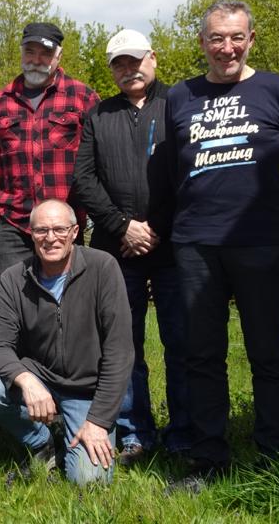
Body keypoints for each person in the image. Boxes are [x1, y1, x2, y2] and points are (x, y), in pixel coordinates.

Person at [156, 0, 279, 489]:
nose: (227, 47)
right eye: (217, 38)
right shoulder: (180, 97)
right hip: (196, 246)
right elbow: (167, 175)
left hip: (259, 244)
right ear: (202, 42)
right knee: (202, 355)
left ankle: (276, 456)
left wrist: (270, 223)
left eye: (236, 37)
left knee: (268, 352)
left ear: (251, 39)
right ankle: (208, 460)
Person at [71, 29, 189, 465]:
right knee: (123, 344)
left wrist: (156, 225)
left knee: (181, 341)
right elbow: (83, 180)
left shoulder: (179, 105)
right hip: (116, 251)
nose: (128, 69)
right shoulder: (98, 116)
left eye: (134, 60)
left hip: (174, 245)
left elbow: (189, 173)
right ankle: (135, 432)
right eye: (118, 63)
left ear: (153, 58)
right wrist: (123, 226)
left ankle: (184, 432)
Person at [0, 199, 132, 485]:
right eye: (41, 230)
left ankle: (80, 430)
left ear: (74, 231)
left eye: (59, 229)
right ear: (31, 234)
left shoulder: (103, 268)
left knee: (89, 481)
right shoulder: (14, 278)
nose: (50, 238)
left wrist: (98, 421)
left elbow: (119, 353)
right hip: (41, 380)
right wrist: (26, 380)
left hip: (87, 392)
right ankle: (41, 443)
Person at [0, 22, 100, 274]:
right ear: (21, 53)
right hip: (15, 224)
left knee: (68, 303)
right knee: (14, 302)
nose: (36, 60)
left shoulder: (83, 97)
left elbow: (95, 161)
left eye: (45, 53)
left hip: (64, 226)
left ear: (58, 56)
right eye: (30, 52)